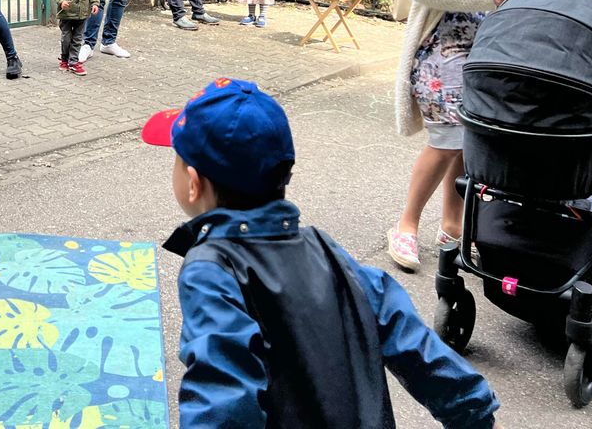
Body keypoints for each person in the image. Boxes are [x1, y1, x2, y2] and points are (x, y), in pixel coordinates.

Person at [144, 77, 503, 429]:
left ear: (194, 183)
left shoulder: (210, 270)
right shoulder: (329, 252)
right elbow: (418, 349)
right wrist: (477, 414)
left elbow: (224, 395)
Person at [389, 0, 541, 271]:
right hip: (439, 48)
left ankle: (453, 225)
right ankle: (406, 225)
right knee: (444, 142)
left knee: (468, 142)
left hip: (488, 48)